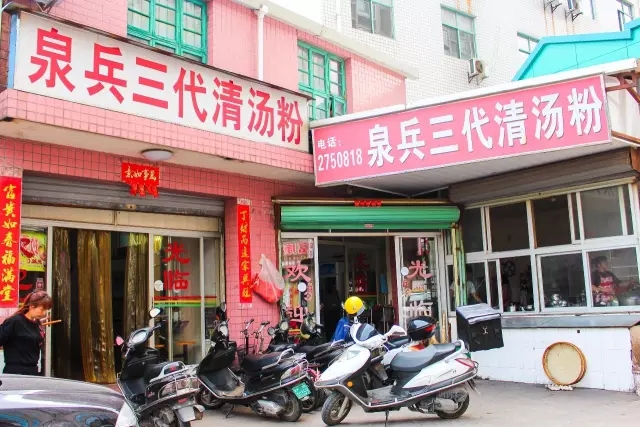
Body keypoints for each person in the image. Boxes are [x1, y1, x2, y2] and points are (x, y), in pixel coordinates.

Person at [0, 290, 52, 375]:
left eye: (46, 310)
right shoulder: (15, 321)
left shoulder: (37, 323)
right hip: (15, 372)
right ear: (32, 306)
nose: (44, 313)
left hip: (33, 371)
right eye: (42, 309)